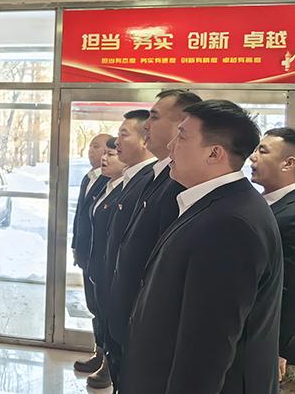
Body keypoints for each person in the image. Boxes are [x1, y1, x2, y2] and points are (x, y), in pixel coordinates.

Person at [121, 100, 283, 394]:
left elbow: (207, 347)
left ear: (214, 153)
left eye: (182, 137)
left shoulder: (230, 223)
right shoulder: (215, 204)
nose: (170, 145)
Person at [105, 90, 201, 389]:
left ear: (182, 125)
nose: (146, 125)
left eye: (155, 117)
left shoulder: (181, 184)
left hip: (148, 330)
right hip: (128, 321)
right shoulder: (153, 175)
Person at [96, 110, 156, 390]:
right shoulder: (134, 178)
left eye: (123, 134)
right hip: (116, 288)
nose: (116, 141)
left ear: (145, 139)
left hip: (134, 301)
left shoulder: (150, 180)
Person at [250, 127, 295, 380]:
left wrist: (279, 346)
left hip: (276, 345)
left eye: (263, 151)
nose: (252, 156)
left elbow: (290, 285)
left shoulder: (291, 213)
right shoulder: (259, 203)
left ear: (288, 163)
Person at [83, 137, 127, 386]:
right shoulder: (104, 184)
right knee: (97, 310)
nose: (104, 158)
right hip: (95, 262)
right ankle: (100, 354)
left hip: (110, 267)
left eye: (112, 154)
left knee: (109, 315)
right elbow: (86, 220)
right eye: (105, 153)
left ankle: (108, 366)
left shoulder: (127, 189)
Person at [73, 134, 112, 374]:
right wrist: (76, 246)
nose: (91, 151)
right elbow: (81, 216)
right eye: (91, 146)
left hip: (102, 259)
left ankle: (107, 361)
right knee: (93, 307)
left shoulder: (111, 181)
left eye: (97, 147)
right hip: (87, 255)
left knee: (104, 309)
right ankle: (99, 353)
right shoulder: (89, 178)